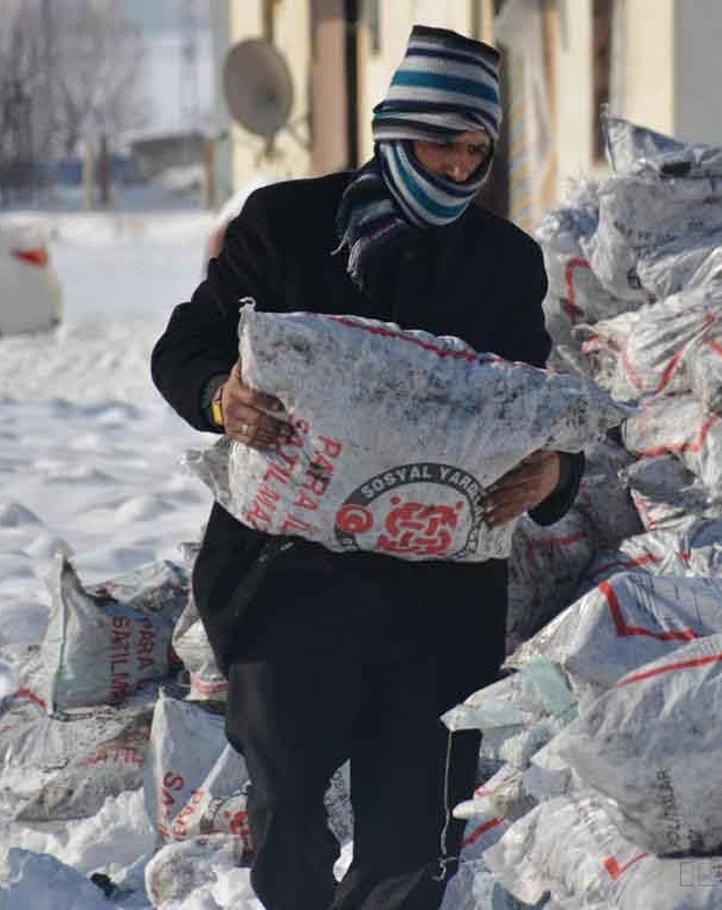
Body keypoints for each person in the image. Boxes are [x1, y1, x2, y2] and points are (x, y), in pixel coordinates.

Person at [151, 26, 582, 910]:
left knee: (414, 848)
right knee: (287, 827)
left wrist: (553, 475)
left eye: (477, 150)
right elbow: (184, 346)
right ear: (393, 131)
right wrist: (219, 397)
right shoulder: (286, 226)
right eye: (442, 143)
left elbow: (534, 408)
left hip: (436, 603)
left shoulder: (503, 262)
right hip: (285, 584)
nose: (461, 167)